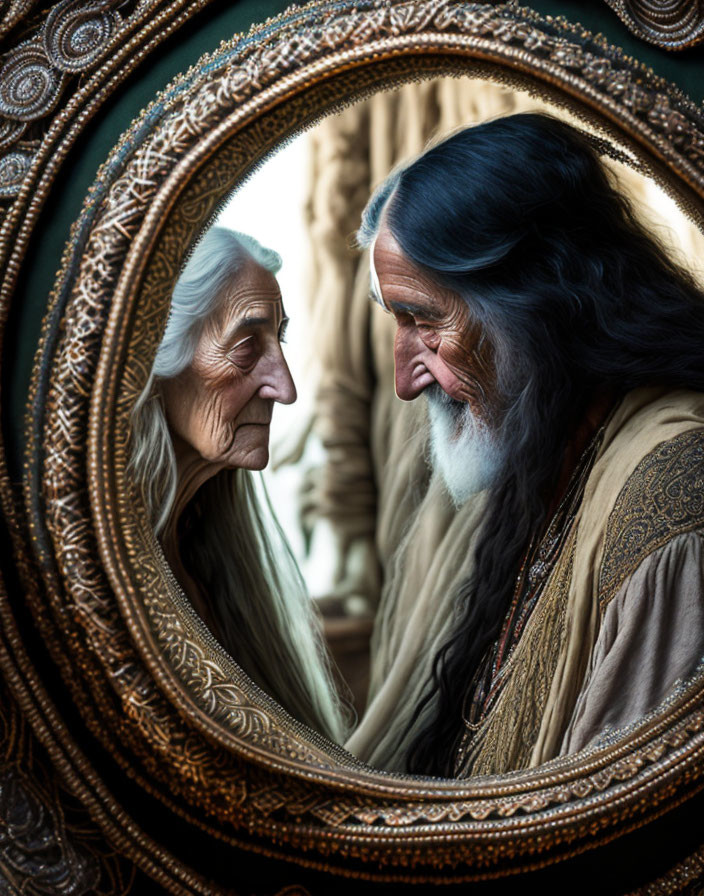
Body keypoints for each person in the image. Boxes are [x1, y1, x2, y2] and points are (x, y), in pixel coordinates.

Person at [352, 113, 704, 777]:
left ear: (536, 306)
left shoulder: (672, 488)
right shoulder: (549, 445)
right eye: (395, 321)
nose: (404, 380)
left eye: (425, 321)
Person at [129, 226, 349, 744]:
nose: (285, 387)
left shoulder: (204, 553)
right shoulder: (104, 580)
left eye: (281, 339)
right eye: (247, 346)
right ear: (155, 359)